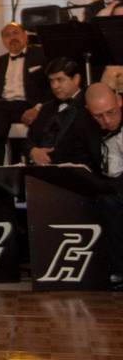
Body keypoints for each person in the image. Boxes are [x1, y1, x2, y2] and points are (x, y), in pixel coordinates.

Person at [25, 57, 102, 170]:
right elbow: (28, 140)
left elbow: (93, 149)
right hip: (42, 174)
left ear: (76, 79)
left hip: (78, 174)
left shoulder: (90, 105)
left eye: (60, 79)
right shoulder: (47, 108)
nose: (55, 86)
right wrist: (33, 151)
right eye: (51, 81)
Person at [85, 83, 123, 288]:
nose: (107, 120)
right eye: (98, 116)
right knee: (107, 201)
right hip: (114, 186)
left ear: (119, 101)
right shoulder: (87, 127)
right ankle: (117, 271)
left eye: (111, 112)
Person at [0, 22, 50, 124]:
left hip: (29, 105)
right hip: (3, 106)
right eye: (7, 35)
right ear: (3, 41)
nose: (12, 37)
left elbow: (51, 87)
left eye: (15, 33)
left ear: (25, 36)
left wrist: (38, 108)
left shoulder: (42, 55)